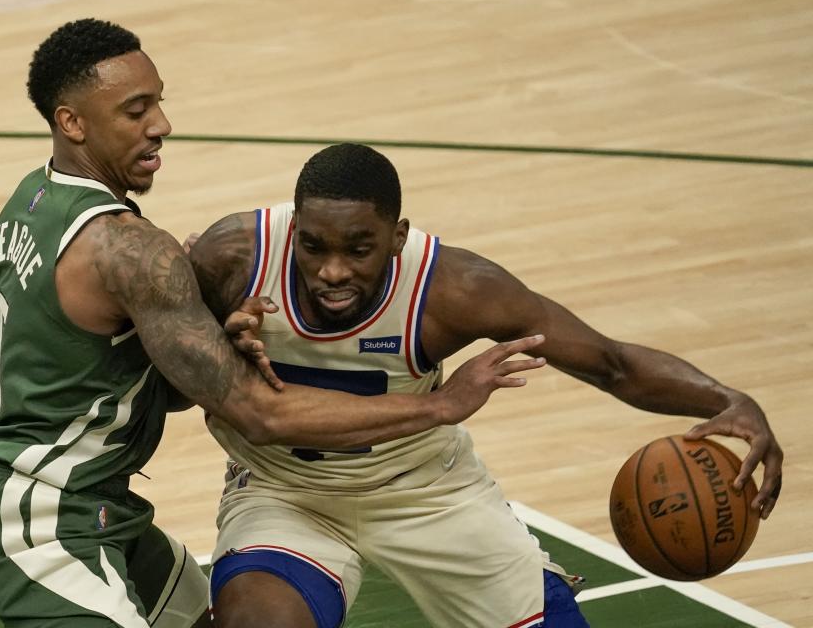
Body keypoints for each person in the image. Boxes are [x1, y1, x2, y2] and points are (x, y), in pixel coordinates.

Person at [0, 22, 547, 628]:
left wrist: (209, 345)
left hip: (98, 508)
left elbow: (10, 373)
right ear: (72, 122)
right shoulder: (130, 249)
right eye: (136, 110)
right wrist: (440, 406)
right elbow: (260, 415)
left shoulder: (28, 208)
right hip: (38, 520)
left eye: (159, 100)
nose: (161, 124)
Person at [187, 143, 785, 628]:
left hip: (425, 490)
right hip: (283, 494)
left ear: (398, 237)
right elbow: (151, 370)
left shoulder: (455, 289)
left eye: (359, 249)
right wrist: (217, 338)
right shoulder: (235, 259)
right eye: (313, 246)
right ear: (294, 229)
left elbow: (612, 362)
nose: (332, 271)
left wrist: (730, 402)